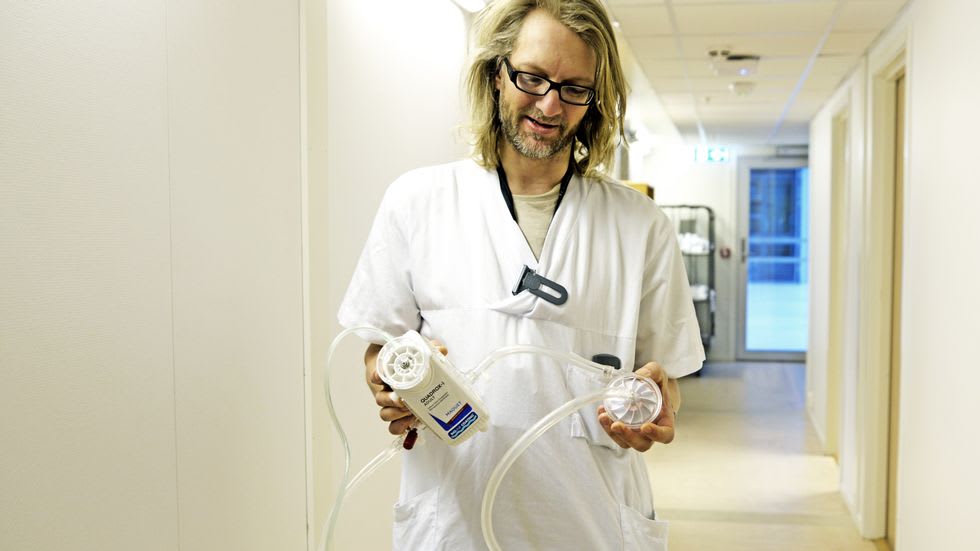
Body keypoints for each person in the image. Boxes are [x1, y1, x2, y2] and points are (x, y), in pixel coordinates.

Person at [338, 0, 704, 548]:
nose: (550, 104)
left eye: (574, 88)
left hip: (591, 524)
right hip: (455, 522)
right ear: (496, 74)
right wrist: (389, 383)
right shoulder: (417, 203)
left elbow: (664, 377)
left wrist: (657, 409)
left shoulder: (640, 225)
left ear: (595, 100)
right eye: (532, 77)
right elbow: (379, 348)